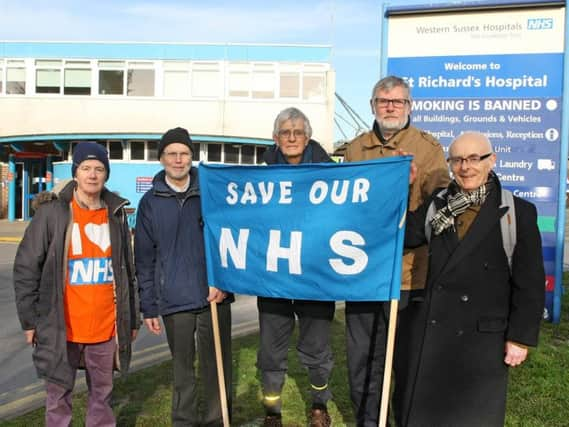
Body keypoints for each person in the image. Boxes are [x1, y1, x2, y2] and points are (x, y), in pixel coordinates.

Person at [393, 131, 545, 426]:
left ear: (492, 161)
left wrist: (520, 337)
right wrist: (403, 185)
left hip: (483, 336)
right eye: (458, 160)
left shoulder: (517, 212)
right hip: (435, 331)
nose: (466, 167)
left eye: (475, 158)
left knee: (473, 415)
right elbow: (407, 235)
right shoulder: (439, 205)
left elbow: (530, 281)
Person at [342, 75, 450, 426]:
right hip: (361, 273)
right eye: (383, 101)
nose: (390, 107)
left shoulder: (428, 148)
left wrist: (410, 191)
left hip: (408, 276)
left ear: (409, 106)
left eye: (398, 101)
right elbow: (344, 205)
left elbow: (443, 203)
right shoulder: (355, 149)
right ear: (372, 105)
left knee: (404, 361)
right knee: (362, 361)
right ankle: (369, 421)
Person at [13, 142, 139, 426]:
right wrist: (30, 322)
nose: (92, 175)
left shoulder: (116, 214)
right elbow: (26, 268)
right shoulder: (52, 213)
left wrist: (131, 319)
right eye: (86, 168)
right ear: (76, 173)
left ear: (106, 174)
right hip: (61, 327)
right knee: (58, 400)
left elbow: (127, 271)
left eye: (99, 169)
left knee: (102, 397)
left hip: (106, 328)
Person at [134, 127, 233, 427]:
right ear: (162, 158)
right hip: (173, 300)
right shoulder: (150, 203)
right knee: (182, 372)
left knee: (217, 368)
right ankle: (184, 422)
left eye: (185, 154)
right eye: (172, 154)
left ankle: (218, 420)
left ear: (193, 157)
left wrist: (225, 283)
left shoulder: (212, 194)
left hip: (213, 296)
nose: (179, 160)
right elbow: (144, 259)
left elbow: (231, 242)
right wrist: (149, 306)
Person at [258, 107, 335, 427]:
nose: (291, 138)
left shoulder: (330, 173)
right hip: (274, 277)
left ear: (308, 137)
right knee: (271, 353)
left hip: (315, 278)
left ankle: (319, 405)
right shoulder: (259, 176)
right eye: (285, 133)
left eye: (298, 133)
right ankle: (272, 411)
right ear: (275, 139)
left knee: (316, 350)